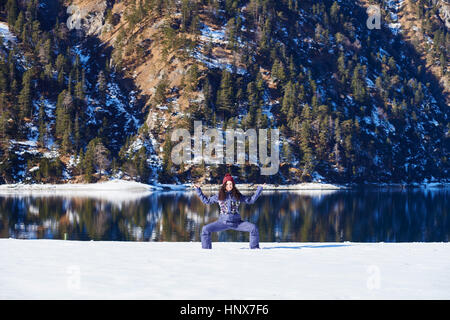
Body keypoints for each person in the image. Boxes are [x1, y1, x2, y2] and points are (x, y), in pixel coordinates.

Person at [193, 173, 265, 249]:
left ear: (233, 184)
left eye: (231, 184)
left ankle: (255, 248)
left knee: (253, 228)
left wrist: (259, 189)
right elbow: (206, 201)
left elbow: (251, 200)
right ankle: (206, 250)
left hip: (237, 223)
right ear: (224, 185)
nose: (229, 186)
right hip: (222, 222)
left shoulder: (237, 195)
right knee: (205, 229)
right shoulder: (219, 195)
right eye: (227, 184)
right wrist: (198, 190)